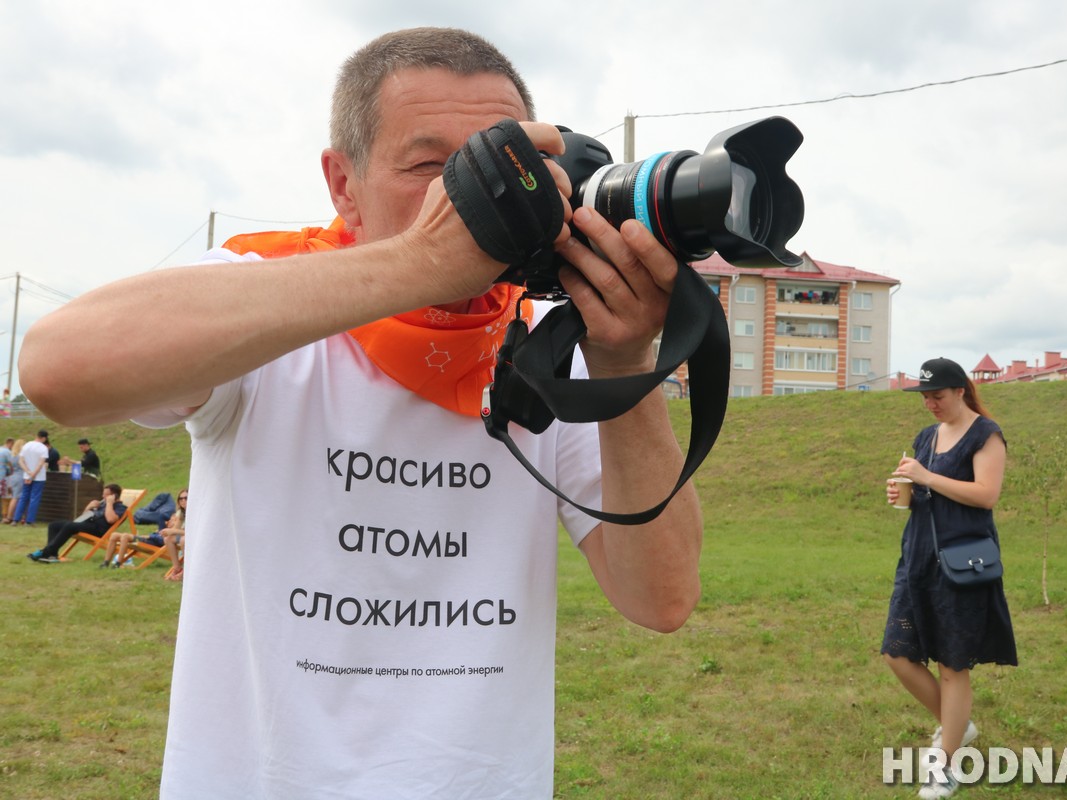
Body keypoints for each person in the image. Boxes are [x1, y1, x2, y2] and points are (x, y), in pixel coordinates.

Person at [19, 27, 702, 799]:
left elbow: (662, 597)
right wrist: (420, 263)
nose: (473, 196)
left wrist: (623, 366)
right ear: (344, 185)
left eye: (496, 166)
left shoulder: (546, 348)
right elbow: (55, 369)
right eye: (431, 166)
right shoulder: (268, 296)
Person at [882, 358, 1018, 799]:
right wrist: (905, 490)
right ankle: (958, 726)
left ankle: (947, 766)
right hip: (919, 559)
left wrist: (926, 477)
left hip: (962, 563)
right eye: (925, 396)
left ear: (961, 390)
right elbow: (925, 491)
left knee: (952, 664)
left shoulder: (986, 433)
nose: (930, 404)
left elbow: (986, 495)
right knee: (897, 655)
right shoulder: (927, 437)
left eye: (937, 395)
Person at [28, 483, 127, 564]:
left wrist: (109, 503)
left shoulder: (120, 507)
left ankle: (45, 552)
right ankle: (52, 554)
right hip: (88, 525)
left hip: (99, 530)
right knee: (54, 525)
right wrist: (88, 507)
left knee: (70, 526)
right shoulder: (102, 504)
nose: (102, 496)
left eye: (105, 495)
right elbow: (82, 518)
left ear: (114, 496)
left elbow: (110, 520)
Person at [8, 431, 50, 525]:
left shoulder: (26, 445)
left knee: (23, 497)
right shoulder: (43, 448)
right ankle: (29, 520)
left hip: (26, 475)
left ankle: (16, 519)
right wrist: (33, 475)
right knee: (34, 498)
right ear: (44, 438)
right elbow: (40, 464)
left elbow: (21, 461)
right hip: (39, 477)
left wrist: (28, 472)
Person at [161, 489, 188, 581]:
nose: (183, 501)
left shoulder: (195, 512)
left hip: (196, 537)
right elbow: (175, 529)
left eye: (186, 498)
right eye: (181, 499)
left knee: (183, 540)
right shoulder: (181, 513)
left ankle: (187, 570)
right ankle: (177, 568)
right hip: (186, 535)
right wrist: (167, 531)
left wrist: (172, 531)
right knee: (168, 538)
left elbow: (193, 532)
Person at [0, 438, 14, 519]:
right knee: (6, 497)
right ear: (10, 443)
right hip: (3, 478)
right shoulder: (7, 452)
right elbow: (11, 465)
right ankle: (5, 516)